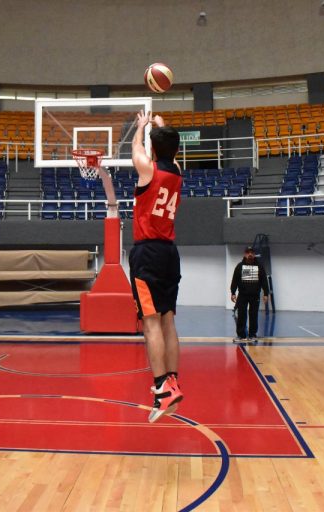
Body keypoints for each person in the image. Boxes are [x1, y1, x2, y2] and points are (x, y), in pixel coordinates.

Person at [130, 110, 184, 423]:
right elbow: (168, 151)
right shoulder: (177, 170)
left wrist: (141, 127)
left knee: (150, 323)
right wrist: (161, 127)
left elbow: (135, 149)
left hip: (147, 253)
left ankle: (162, 388)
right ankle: (172, 380)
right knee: (168, 321)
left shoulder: (147, 169)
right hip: (169, 253)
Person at [230, 246, 269, 343]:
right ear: (245, 254)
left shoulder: (259, 266)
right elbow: (235, 280)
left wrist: (266, 293)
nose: (250, 254)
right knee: (241, 315)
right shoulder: (239, 266)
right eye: (248, 252)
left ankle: (252, 335)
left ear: (254, 254)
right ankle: (241, 335)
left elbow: (264, 280)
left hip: (255, 296)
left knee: (254, 315)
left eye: (252, 252)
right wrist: (233, 292)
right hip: (242, 295)